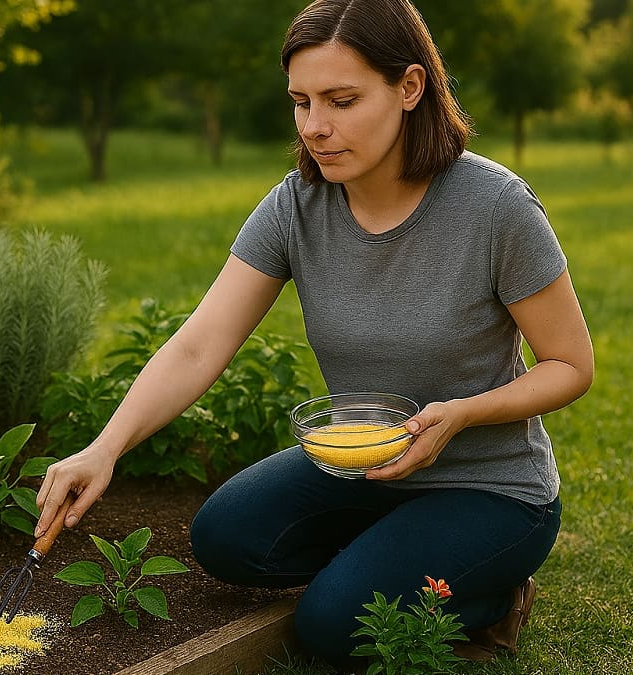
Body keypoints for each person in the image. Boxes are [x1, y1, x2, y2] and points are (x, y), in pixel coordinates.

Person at [35, 0, 594, 665]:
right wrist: (105, 448)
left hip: (492, 488)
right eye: (301, 102)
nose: (315, 127)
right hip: (362, 465)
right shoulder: (296, 205)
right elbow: (199, 341)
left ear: (410, 88)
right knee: (223, 537)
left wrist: (462, 414)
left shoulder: (495, 208)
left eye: (341, 100)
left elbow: (570, 363)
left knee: (331, 625)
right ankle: (392, 555)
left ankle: (496, 594)